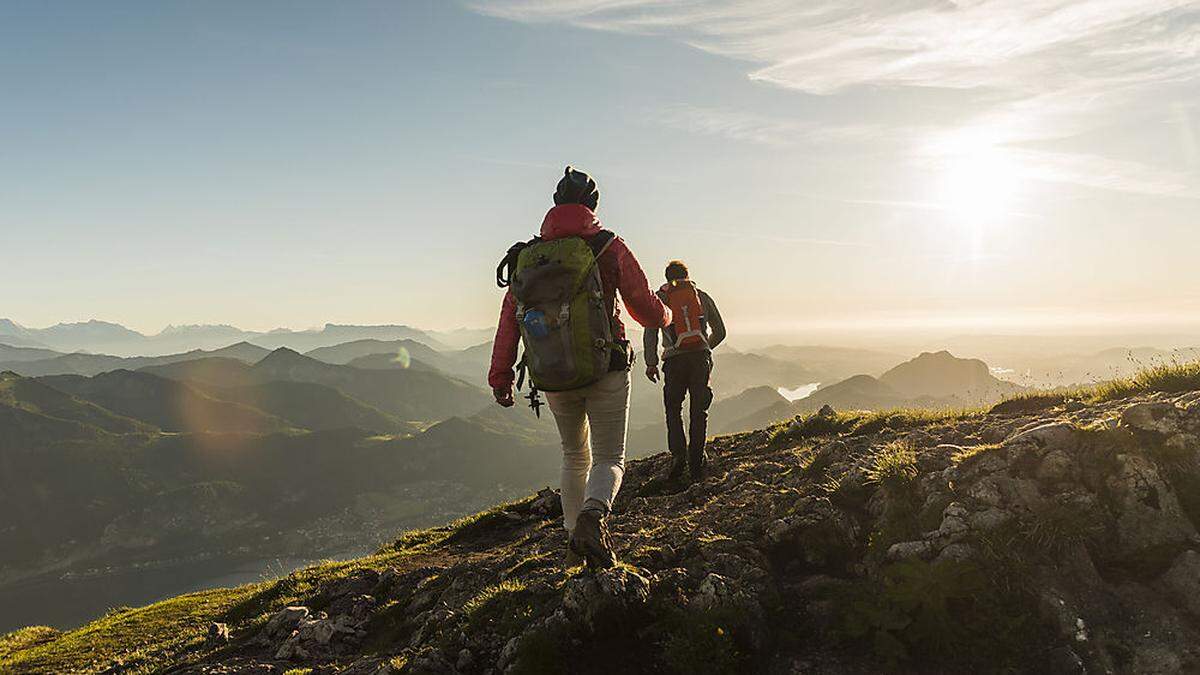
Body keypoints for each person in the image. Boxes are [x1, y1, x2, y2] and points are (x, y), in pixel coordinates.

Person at [489, 166, 671, 569]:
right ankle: (594, 517)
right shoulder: (608, 247)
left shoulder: (527, 258)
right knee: (609, 458)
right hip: (605, 368)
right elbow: (645, 308)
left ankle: (574, 548)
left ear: (555, 206)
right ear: (593, 205)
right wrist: (668, 316)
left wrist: (500, 377)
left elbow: (508, 322)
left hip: (552, 375)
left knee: (574, 455)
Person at [643, 260, 726, 484]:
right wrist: (705, 347)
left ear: (667, 277)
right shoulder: (701, 296)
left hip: (674, 362)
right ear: (687, 276)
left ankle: (678, 457)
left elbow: (650, 332)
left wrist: (650, 362)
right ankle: (697, 461)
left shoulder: (661, 299)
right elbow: (721, 331)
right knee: (699, 410)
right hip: (700, 360)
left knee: (673, 408)